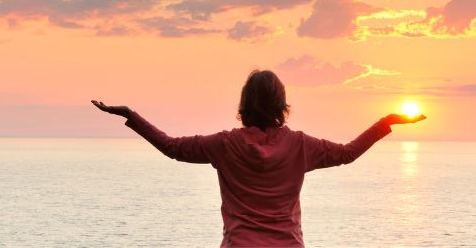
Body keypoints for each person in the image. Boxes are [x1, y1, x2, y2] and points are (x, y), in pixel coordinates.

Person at [92, 69, 426, 247]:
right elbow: (347, 154)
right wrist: (386, 123)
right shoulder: (300, 145)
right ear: (282, 106)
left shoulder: (225, 144)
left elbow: (172, 148)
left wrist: (131, 116)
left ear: (244, 105)